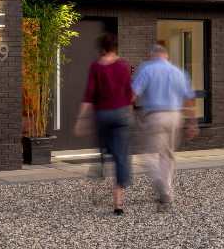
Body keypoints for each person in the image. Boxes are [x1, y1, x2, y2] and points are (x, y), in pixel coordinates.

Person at [131, 44, 198, 209]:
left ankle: (161, 182)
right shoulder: (179, 72)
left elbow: (132, 94)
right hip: (175, 116)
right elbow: (190, 99)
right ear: (166, 57)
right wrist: (192, 123)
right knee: (167, 155)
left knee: (147, 153)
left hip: (155, 116)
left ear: (152, 55)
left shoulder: (146, 69)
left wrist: (127, 114)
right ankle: (166, 194)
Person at [75, 32, 134, 215]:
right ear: (116, 47)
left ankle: (96, 188)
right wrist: (129, 115)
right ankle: (117, 203)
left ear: (102, 48)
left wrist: (80, 120)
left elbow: (89, 94)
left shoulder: (96, 66)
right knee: (121, 157)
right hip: (121, 114)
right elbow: (128, 93)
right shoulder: (124, 65)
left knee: (102, 152)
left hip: (103, 115)